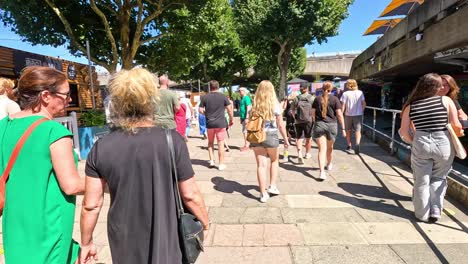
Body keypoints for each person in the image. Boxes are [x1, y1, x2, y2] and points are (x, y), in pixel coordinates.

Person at [79, 68, 209, 264]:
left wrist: (86, 242)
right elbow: (190, 194)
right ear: (151, 99)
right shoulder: (172, 140)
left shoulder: (101, 147)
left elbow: (91, 205)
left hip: (123, 235)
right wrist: (204, 221)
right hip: (167, 234)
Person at [0, 66, 84, 263]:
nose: (70, 99)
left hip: (15, 228)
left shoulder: (3, 126)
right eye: (66, 94)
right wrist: (108, 179)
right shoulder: (54, 132)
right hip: (48, 230)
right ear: (46, 96)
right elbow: (71, 185)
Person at [400, 73, 462, 222]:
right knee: (439, 177)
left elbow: (403, 132)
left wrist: (414, 141)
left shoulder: (410, 105)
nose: (442, 87)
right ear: (434, 87)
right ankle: (435, 211)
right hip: (443, 143)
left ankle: (421, 214)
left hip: (420, 142)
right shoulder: (446, 101)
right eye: (440, 84)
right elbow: (456, 125)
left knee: (421, 180)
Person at [250, 80, 289, 202]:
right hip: (271, 135)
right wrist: (286, 140)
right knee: (274, 160)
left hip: (256, 136)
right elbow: (281, 125)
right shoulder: (275, 105)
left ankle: (263, 194)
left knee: (261, 165)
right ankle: (272, 186)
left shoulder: (254, 105)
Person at [312, 81, 346, 180]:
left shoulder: (317, 99)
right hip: (332, 126)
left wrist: (315, 123)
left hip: (319, 125)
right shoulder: (335, 99)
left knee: (321, 150)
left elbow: (312, 113)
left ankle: (322, 172)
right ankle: (329, 163)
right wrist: (343, 128)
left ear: (322, 88)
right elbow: (339, 115)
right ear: (332, 89)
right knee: (330, 148)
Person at [199, 80, 233, 170]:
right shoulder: (223, 97)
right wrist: (231, 119)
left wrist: (206, 114)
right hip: (220, 123)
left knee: (210, 142)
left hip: (210, 123)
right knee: (220, 143)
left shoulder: (205, 97)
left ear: (210, 87)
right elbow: (229, 109)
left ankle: (212, 161)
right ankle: (221, 164)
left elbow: (200, 110)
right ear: (218, 87)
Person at [291, 82, 315, 164]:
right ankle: (307, 153)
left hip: (298, 121)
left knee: (299, 138)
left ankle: (300, 153)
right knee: (308, 138)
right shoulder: (312, 98)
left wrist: (295, 118)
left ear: (300, 89)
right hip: (309, 120)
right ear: (307, 88)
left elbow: (292, 110)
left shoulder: (296, 98)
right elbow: (314, 110)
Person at [340, 79, 366, 154]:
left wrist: (341, 114)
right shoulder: (360, 93)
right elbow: (364, 103)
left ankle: (349, 145)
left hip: (348, 115)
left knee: (348, 130)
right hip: (358, 114)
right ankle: (357, 143)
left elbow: (343, 106)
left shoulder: (345, 94)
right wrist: (361, 110)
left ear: (348, 85)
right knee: (358, 130)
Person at [239, 87, 252, 151]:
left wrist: (247, 117)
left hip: (245, 117)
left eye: (240, 91)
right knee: (245, 131)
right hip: (243, 117)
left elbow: (249, 107)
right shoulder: (243, 98)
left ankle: (247, 145)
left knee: (245, 131)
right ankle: (247, 144)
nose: (239, 92)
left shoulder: (246, 98)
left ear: (244, 91)